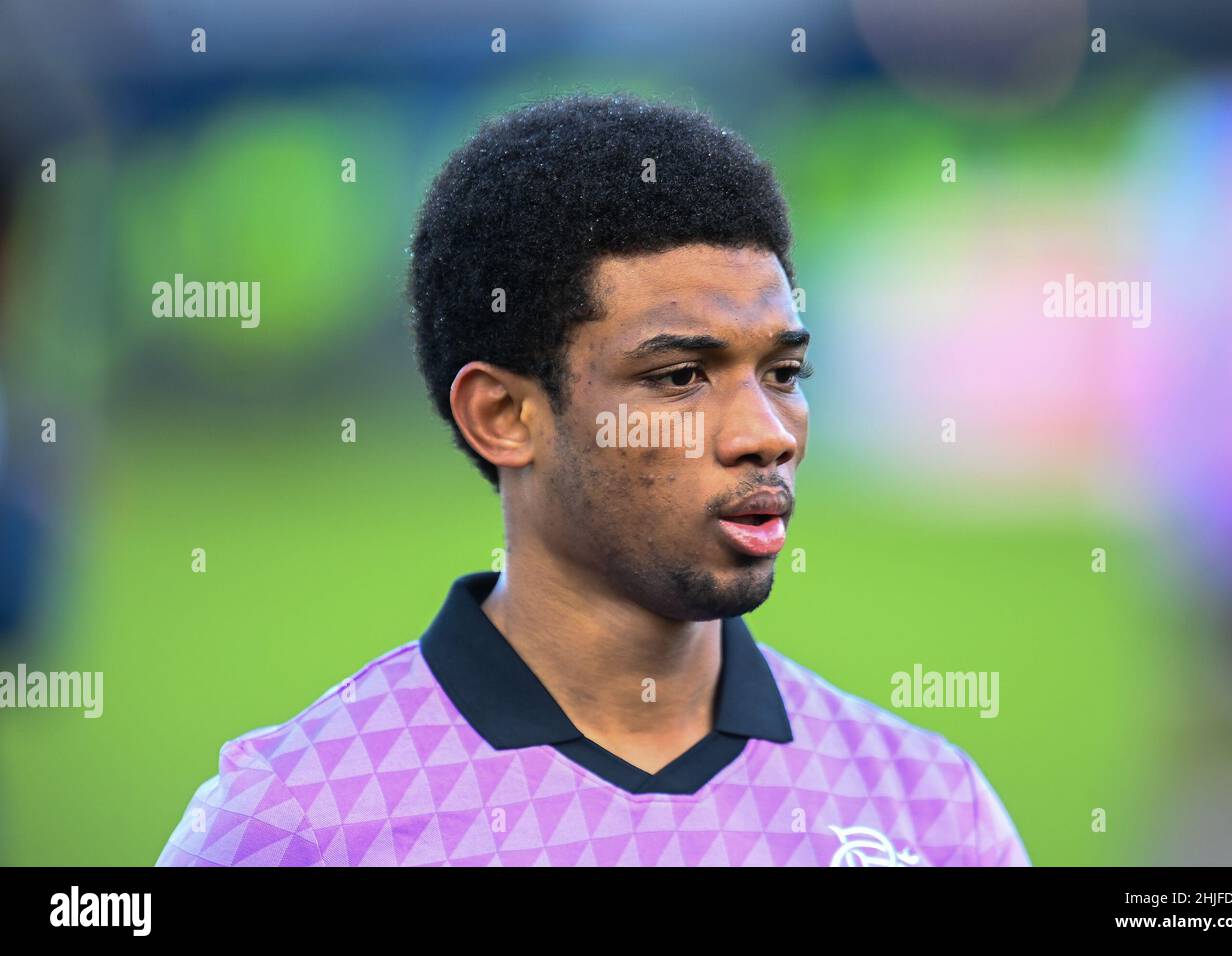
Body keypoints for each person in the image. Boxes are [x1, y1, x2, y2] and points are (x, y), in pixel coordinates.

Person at [157, 93, 1029, 866]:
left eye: (784, 374)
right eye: (680, 377)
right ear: (503, 416)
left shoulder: (929, 808)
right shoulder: (300, 824)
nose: (767, 436)